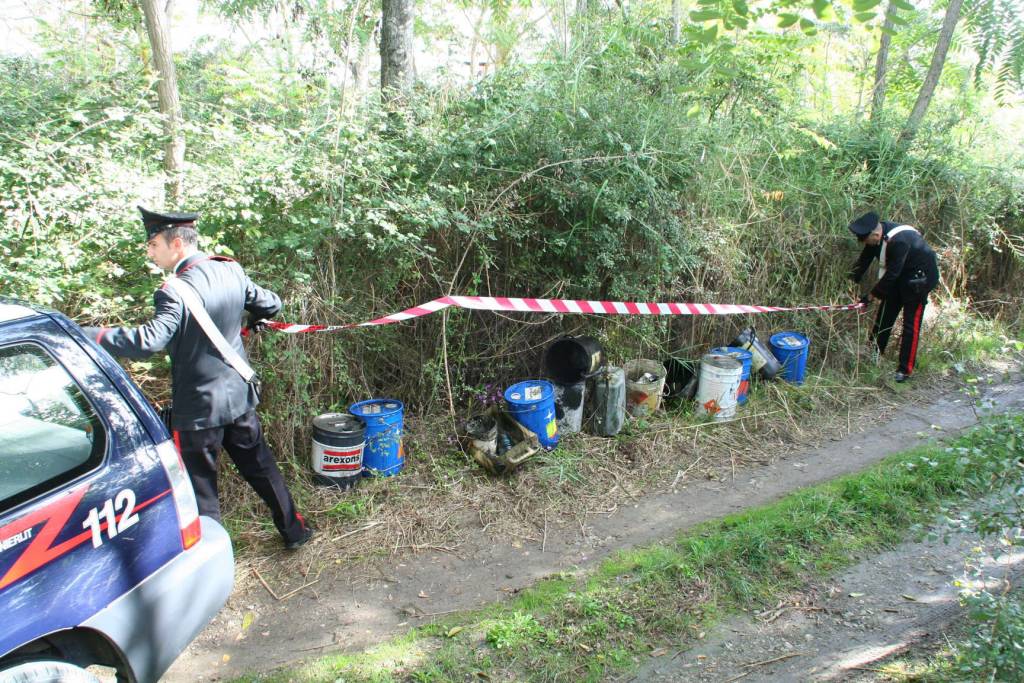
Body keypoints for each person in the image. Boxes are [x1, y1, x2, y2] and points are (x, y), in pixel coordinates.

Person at [85, 207, 314, 549]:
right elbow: (271, 304)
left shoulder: (173, 290)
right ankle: (294, 531)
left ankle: (214, 557)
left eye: (153, 244)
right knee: (262, 468)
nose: (150, 252)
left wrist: (93, 335)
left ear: (175, 243)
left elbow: (149, 341)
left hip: (197, 412)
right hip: (238, 397)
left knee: (202, 491)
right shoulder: (230, 270)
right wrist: (247, 325)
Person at [848, 211, 940, 383]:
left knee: (910, 324)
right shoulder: (876, 238)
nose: (863, 244)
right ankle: (873, 354)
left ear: (875, 234)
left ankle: (904, 370)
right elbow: (863, 261)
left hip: (919, 280)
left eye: (864, 240)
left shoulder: (899, 241)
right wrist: (850, 281)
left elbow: (892, 274)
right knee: (884, 316)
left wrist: (870, 296)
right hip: (899, 277)